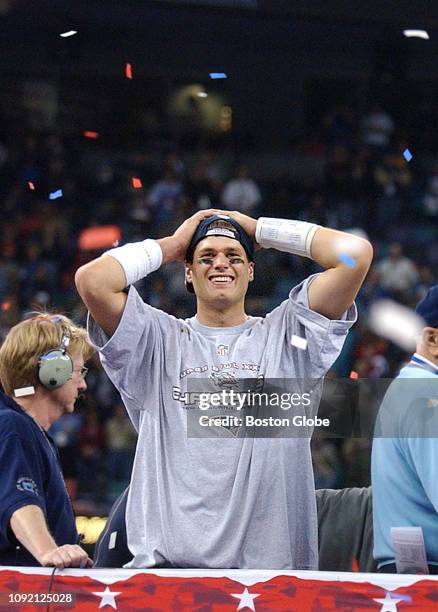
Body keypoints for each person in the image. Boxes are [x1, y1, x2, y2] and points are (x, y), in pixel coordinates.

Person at [75, 208, 372, 569]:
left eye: (234, 257)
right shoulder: (156, 341)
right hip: (169, 580)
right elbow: (93, 280)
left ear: (251, 270)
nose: (221, 264)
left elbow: (354, 257)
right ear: (188, 271)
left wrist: (261, 230)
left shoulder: (288, 339)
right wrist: (171, 245)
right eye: (205, 257)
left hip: (269, 581)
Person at [0, 313, 94, 568]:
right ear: (54, 371)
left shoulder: (30, 432)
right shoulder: (14, 427)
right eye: (78, 370)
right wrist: (48, 552)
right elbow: (18, 501)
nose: (83, 384)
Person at [372, 285, 438, 574]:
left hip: (407, 572)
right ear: (433, 338)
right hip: (426, 577)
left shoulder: (410, 384)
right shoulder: (426, 392)